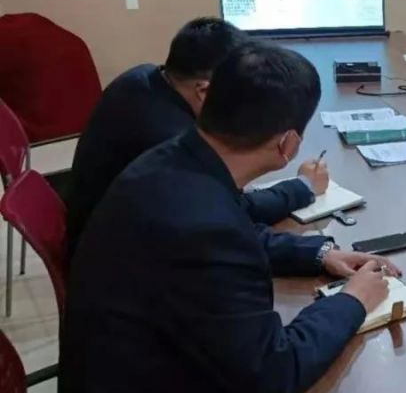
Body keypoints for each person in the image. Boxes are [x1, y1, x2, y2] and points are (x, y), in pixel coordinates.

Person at [60, 42, 399, 393]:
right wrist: (352, 301)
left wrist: (320, 254)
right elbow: (274, 373)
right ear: (287, 144)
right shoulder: (205, 227)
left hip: (124, 372)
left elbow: (234, 226)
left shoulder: (176, 156)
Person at [67, 17, 325, 261]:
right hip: (123, 262)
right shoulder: (170, 139)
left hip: (107, 240)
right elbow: (229, 221)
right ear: (204, 91)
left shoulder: (143, 78)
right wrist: (301, 188)